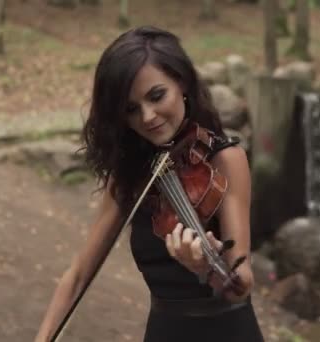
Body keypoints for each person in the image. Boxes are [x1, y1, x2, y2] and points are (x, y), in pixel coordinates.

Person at [34, 26, 264, 342]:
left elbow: (242, 283)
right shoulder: (131, 173)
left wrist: (206, 268)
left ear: (181, 82)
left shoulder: (226, 160)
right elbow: (78, 276)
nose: (148, 116)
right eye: (131, 109)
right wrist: (44, 337)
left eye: (156, 96)